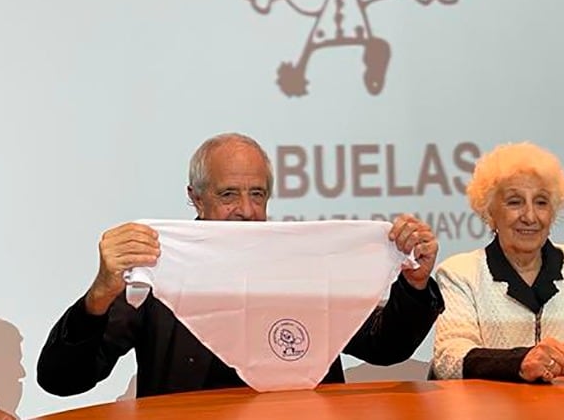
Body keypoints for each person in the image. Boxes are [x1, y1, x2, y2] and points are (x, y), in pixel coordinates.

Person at [37, 132, 444, 397]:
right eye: (228, 194)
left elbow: (384, 347)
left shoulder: (302, 263)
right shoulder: (159, 264)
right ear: (195, 197)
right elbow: (62, 379)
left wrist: (414, 285)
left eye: (257, 194)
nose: (246, 211)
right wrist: (100, 295)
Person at [432, 142, 564, 381]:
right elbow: (449, 361)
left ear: (553, 211)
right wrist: (520, 363)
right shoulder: (460, 273)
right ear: (489, 212)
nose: (530, 217)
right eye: (515, 202)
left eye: (541, 202)